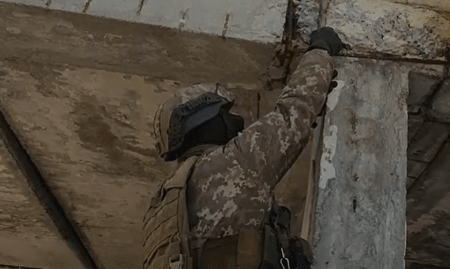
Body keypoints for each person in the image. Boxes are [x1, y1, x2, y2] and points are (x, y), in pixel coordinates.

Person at [143, 27, 343, 269]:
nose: (234, 119)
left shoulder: (165, 201)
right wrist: (321, 50)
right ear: (203, 122)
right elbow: (295, 111)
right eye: (225, 112)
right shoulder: (231, 163)